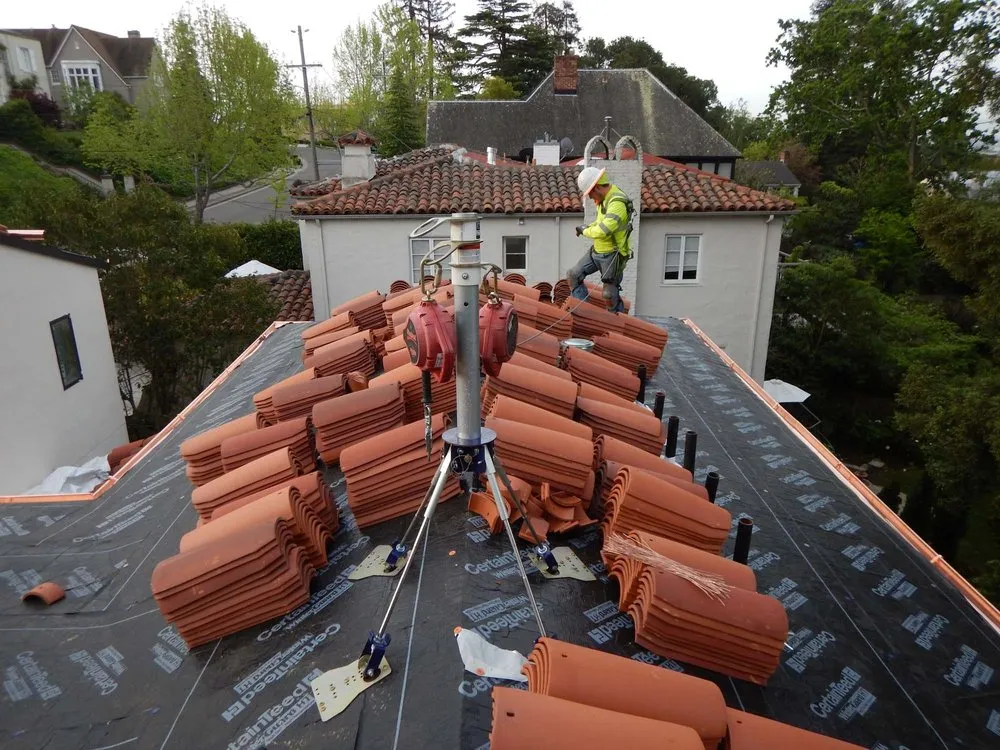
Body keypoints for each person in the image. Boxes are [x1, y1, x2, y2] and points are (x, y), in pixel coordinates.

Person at [566, 166, 634, 313]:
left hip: (613, 255)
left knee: (609, 295)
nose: (590, 198)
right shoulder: (604, 200)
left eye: (590, 193)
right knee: (573, 275)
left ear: (596, 188)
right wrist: (587, 226)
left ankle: (616, 321)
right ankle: (583, 312)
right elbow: (599, 222)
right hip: (597, 251)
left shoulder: (617, 203)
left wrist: (585, 230)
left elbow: (603, 230)